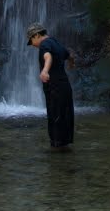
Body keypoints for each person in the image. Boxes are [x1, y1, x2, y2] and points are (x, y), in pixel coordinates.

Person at [26, 22, 74, 150]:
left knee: (55, 117)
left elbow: (48, 57)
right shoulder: (56, 43)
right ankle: (64, 149)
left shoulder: (44, 45)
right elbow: (69, 54)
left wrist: (45, 71)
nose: (32, 45)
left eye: (31, 41)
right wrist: (71, 64)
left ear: (36, 35)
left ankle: (57, 151)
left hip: (55, 87)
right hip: (65, 86)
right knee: (64, 116)